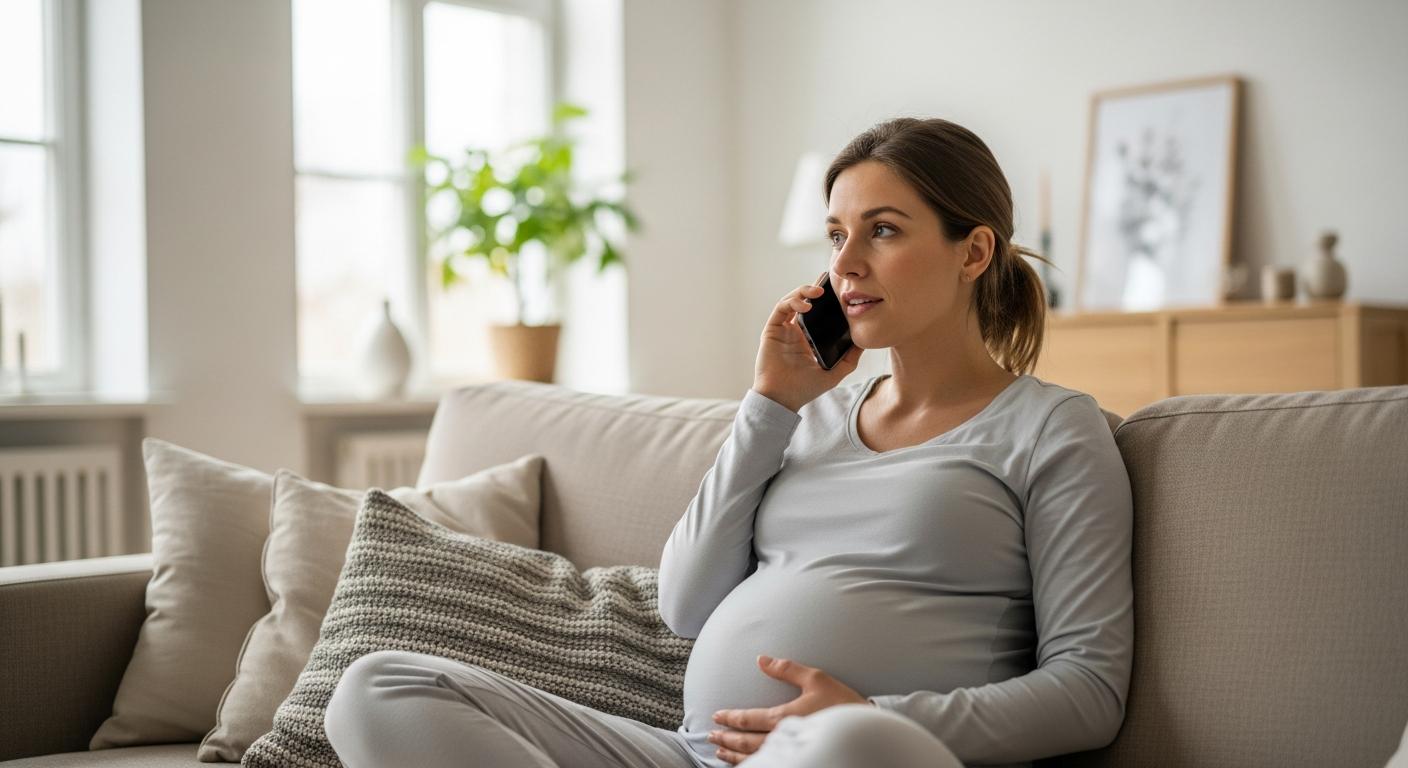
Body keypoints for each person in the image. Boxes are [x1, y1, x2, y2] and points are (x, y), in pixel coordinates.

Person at [323, 116, 1134, 768]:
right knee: (378, 688)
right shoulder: (806, 416)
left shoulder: (1052, 428)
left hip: (866, 750)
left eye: (882, 231)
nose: (845, 264)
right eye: (836, 235)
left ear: (975, 251)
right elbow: (684, 605)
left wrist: (871, 715)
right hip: (694, 754)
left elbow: (1089, 691)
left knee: (849, 746)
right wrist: (769, 403)